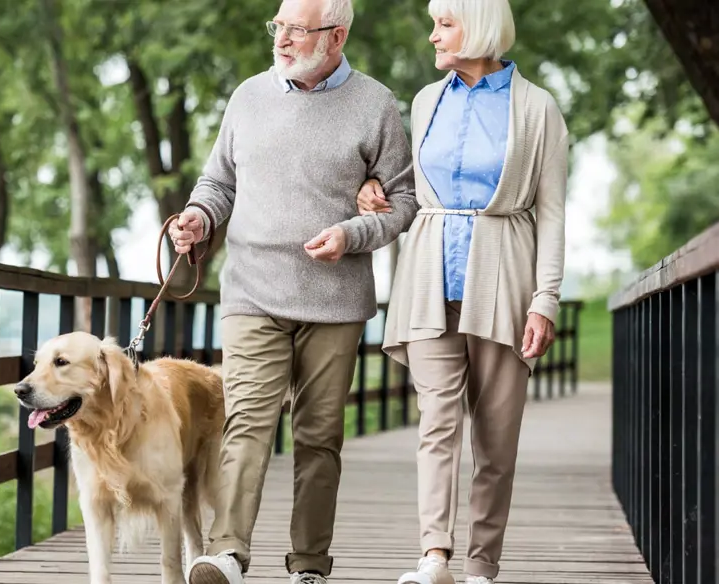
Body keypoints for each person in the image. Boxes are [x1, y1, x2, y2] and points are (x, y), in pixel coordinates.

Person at [168, 0, 419, 582]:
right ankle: (226, 554)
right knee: (247, 422)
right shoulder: (248, 97)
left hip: (335, 300)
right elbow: (218, 182)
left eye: (296, 30)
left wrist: (353, 233)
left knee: (318, 436)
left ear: (336, 37)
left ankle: (309, 564)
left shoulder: (376, 105)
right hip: (253, 290)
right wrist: (200, 218)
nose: (281, 40)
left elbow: (404, 203)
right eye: (277, 27)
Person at [356, 1, 568, 583]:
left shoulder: (537, 108)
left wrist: (545, 298)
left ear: (476, 26)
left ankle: (480, 567)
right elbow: (405, 183)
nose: (433, 35)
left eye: (444, 24)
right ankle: (435, 557)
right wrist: (373, 186)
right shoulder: (427, 100)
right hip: (428, 277)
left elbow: (550, 214)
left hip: (505, 280)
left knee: (497, 438)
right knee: (437, 423)